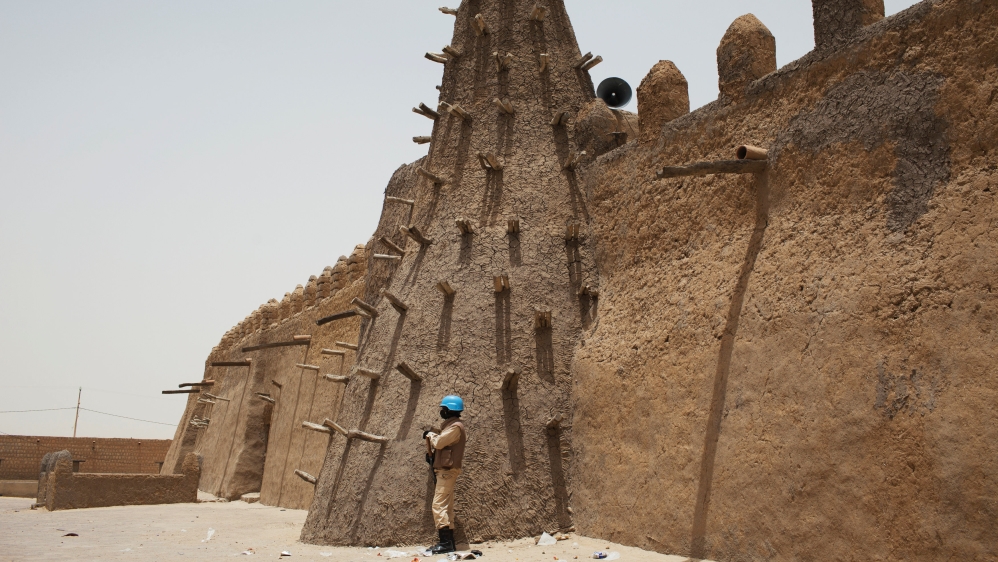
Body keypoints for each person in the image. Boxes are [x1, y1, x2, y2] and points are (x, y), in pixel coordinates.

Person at [423, 395, 467, 555]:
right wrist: (433, 458)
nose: (441, 411)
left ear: (449, 410)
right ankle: (450, 543)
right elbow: (445, 447)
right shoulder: (451, 427)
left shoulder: (455, 427)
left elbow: (440, 442)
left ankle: (445, 543)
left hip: (447, 473)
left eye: (443, 409)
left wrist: (430, 435)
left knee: (438, 505)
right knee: (446, 507)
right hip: (445, 471)